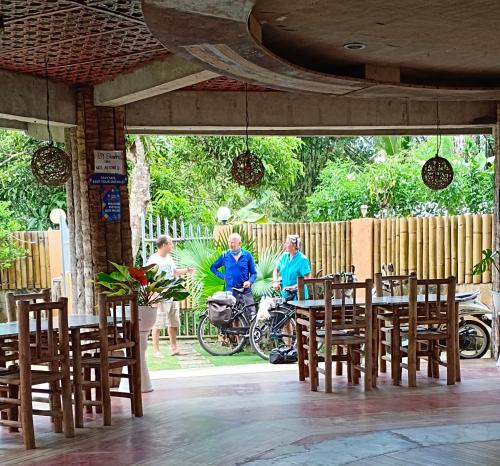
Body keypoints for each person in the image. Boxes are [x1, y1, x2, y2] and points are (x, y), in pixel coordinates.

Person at [147, 235, 194, 357]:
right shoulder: (153, 259)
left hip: (172, 294)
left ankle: (174, 349)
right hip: (159, 295)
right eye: (170, 243)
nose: (172, 246)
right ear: (164, 245)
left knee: (173, 323)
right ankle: (156, 351)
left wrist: (186, 270)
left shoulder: (169, 258)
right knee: (157, 324)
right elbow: (148, 278)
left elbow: (174, 272)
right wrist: (153, 294)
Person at [210, 232, 257, 320]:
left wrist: (249, 282)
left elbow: (254, 273)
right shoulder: (225, 256)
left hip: (245, 291)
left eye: (233, 242)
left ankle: (249, 333)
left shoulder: (247, 255)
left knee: (251, 316)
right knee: (231, 318)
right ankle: (235, 334)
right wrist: (222, 276)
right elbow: (213, 267)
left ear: (239, 243)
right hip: (230, 291)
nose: (230, 245)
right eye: (229, 242)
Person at [273, 234, 311, 299]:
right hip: (285, 295)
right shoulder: (284, 256)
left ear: (294, 245)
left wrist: (293, 287)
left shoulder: (303, 259)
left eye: (287, 243)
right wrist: (275, 281)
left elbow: (307, 279)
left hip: (299, 297)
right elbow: (276, 270)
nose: (285, 244)